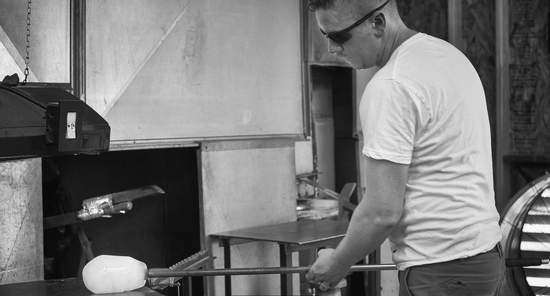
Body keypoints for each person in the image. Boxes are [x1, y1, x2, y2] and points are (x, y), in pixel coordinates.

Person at [305, 0, 505, 295]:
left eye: (339, 36)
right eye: (326, 37)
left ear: (378, 23)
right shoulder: (448, 55)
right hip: (485, 259)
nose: (333, 48)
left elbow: (381, 212)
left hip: (440, 272)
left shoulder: (391, 85)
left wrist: (337, 262)